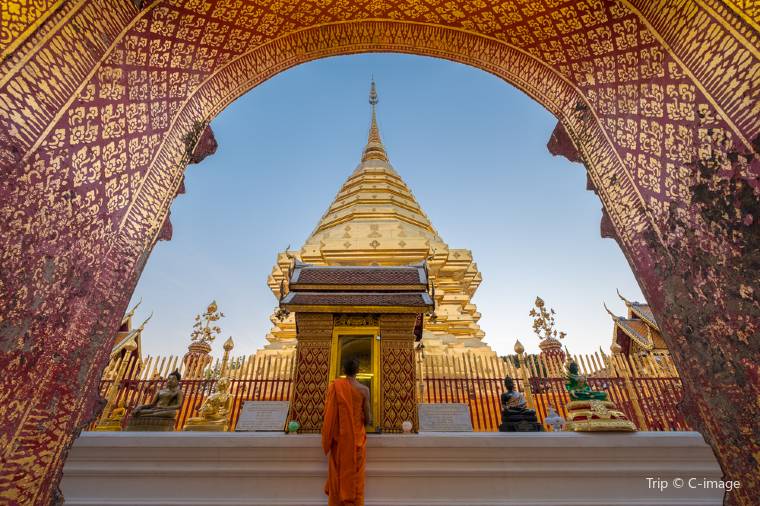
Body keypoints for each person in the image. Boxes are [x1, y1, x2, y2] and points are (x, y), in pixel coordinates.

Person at [321, 358, 371, 506]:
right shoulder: (364, 390)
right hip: (357, 441)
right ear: (359, 371)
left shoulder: (335, 386)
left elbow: (328, 414)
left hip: (340, 441)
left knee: (339, 475)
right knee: (356, 480)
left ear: (343, 371)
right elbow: (368, 419)